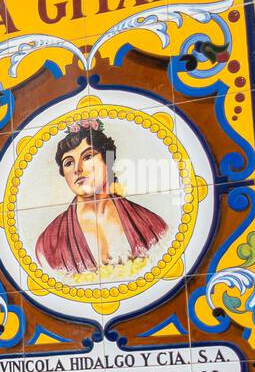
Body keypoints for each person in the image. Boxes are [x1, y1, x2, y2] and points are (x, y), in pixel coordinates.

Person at [34, 119, 168, 279]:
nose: (77, 169)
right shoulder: (47, 245)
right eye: (68, 163)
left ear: (108, 161)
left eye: (88, 156)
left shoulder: (151, 225)